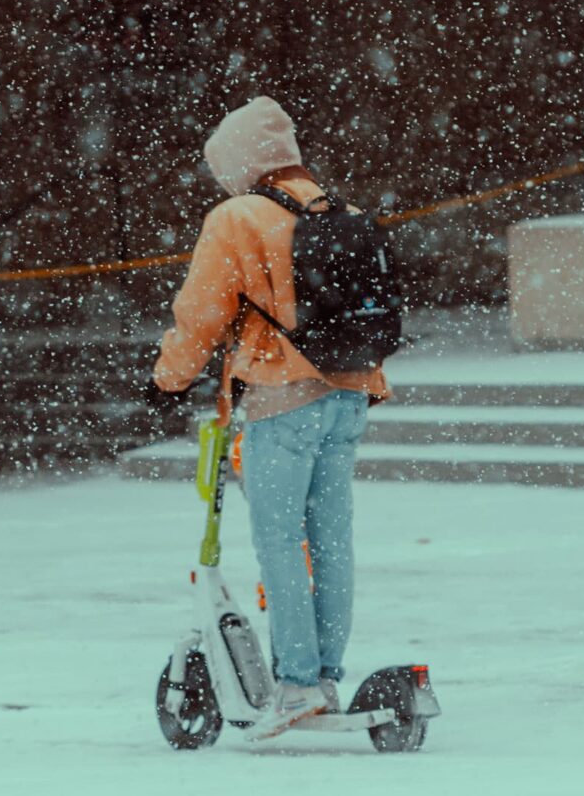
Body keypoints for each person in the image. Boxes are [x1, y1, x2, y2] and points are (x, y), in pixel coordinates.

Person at [148, 96, 389, 740]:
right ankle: (325, 677)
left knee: (280, 540)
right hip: (349, 392)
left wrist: (168, 379)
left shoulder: (237, 217)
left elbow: (201, 314)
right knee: (331, 540)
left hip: (281, 399)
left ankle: (297, 683)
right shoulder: (341, 211)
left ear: (238, 161)